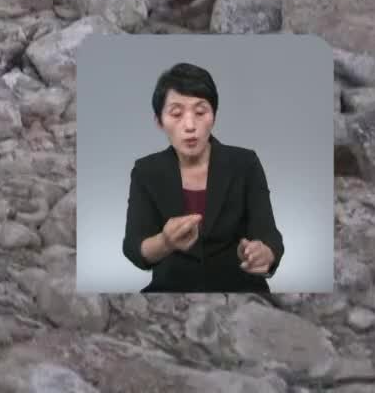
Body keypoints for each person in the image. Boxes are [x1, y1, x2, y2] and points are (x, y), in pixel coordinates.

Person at [121, 62, 284, 293]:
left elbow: (268, 234)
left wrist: (263, 253)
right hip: (172, 292)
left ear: (214, 116)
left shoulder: (245, 163)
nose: (190, 125)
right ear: (159, 121)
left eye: (200, 112)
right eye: (176, 114)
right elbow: (134, 247)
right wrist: (165, 243)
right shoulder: (146, 171)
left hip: (240, 291)